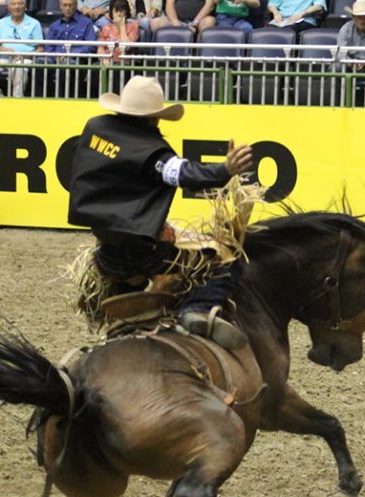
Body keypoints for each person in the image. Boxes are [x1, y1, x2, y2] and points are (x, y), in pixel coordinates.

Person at [68, 76, 254, 350]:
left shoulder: (96, 129)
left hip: (106, 255)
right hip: (147, 256)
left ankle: (125, 320)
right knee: (226, 257)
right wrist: (224, 170)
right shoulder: (151, 152)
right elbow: (184, 173)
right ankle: (198, 311)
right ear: (155, 118)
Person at [0, 0, 43, 97]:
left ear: (25, 6)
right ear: (9, 7)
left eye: (20, 4)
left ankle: (16, 99)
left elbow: (40, 49)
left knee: (19, 68)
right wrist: (5, 50)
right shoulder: (2, 22)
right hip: (4, 58)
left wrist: (24, 56)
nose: (17, 7)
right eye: (13, 4)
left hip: (25, 59)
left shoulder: (34, 23)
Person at [38, 0, 97, 97]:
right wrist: (57, 56)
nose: (67, 8)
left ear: (76, 5)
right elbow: (49, 47)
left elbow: (91, 46)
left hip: (76, 60)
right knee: (39, 62)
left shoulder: (86, 23)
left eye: (70, 5)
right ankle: (39, 98)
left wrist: (71, 53)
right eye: (65, 5)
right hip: (55, 59)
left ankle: (63, 99)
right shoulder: (54, 25)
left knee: (67, 64)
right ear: (60, 6)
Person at [150, 0, 215, 34]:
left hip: (199, 21)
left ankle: (200, 55)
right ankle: (163, 56)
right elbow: (169, 4)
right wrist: (175, 23)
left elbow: (209, 6)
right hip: (177, 21)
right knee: (156, 23)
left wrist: (195, 23)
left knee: (209, 21)